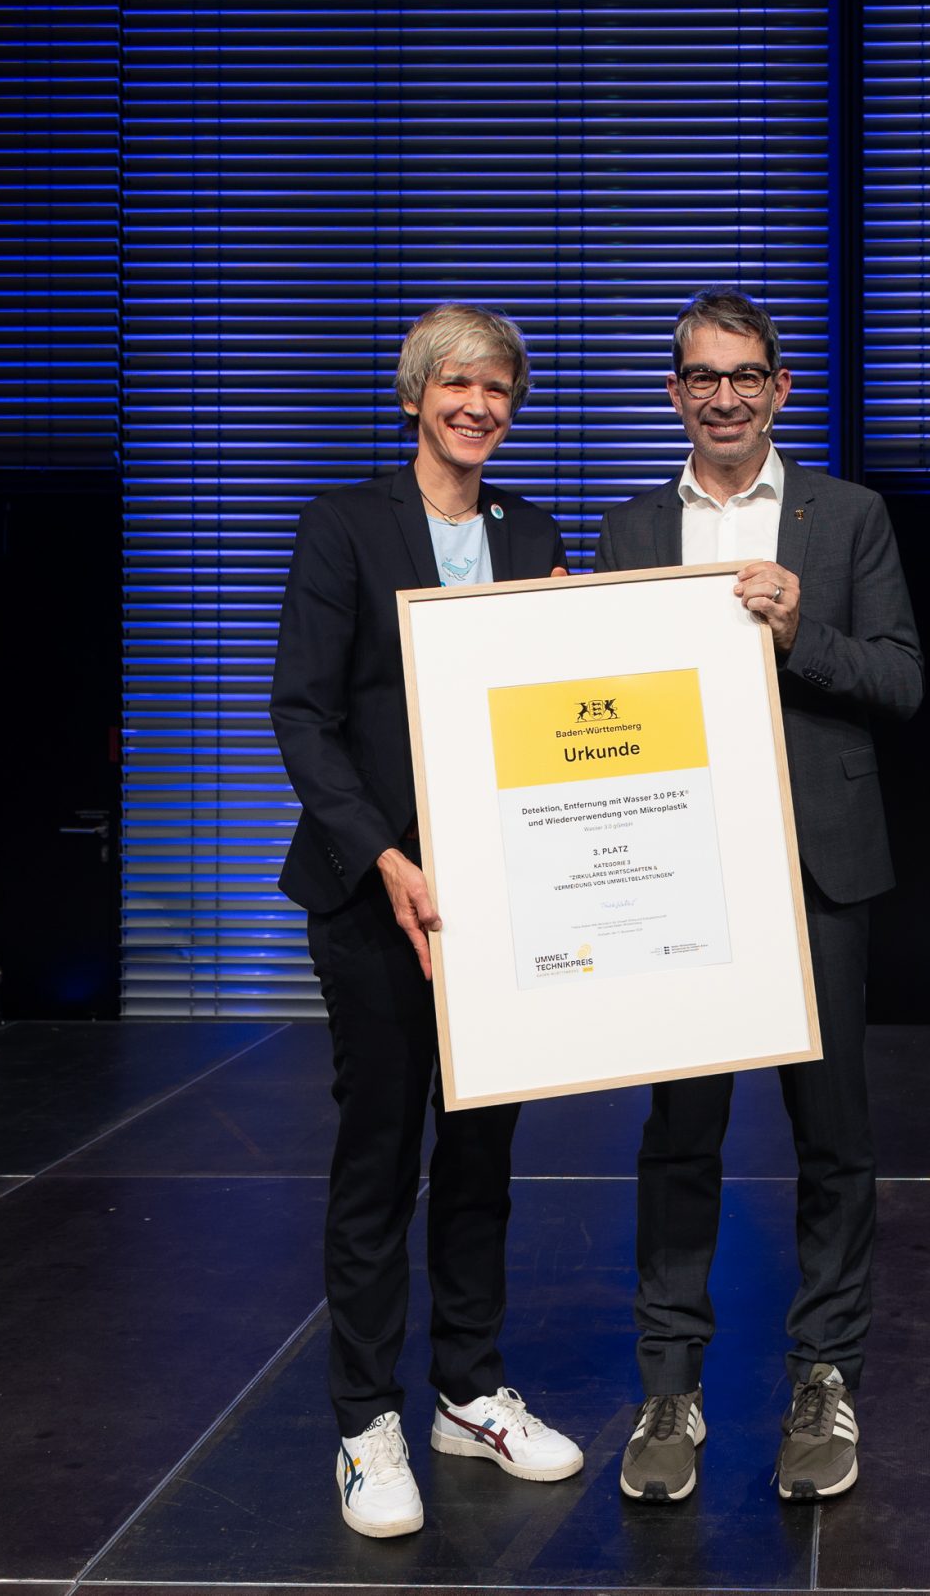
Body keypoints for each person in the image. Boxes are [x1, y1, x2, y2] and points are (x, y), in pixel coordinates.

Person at [594, 288, 923, 1505]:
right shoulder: (632, 528)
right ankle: (668, 1387)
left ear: (781, 387)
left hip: (816, 869)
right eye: (701, 376)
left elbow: (900, 679)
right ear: (674, 391)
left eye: (746, 375)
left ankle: (824, 1373)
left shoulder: (849, 516)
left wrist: (798, 633)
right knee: (679, 1134)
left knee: (832, 1137)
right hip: (680, 871)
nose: (723, 396)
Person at [272, 304, 583, 1538]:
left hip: (496, 899)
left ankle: (467, 1390)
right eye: (456, 383)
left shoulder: (533, 534)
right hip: (375, 897)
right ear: (414, 395)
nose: (478, 405)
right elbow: (303, 714)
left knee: (481, 1156)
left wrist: (579, 636)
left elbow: (548, 714)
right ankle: (366, 1420)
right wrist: (388, 857)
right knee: (379, 1156)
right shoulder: (344, 524)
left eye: (498, 388)